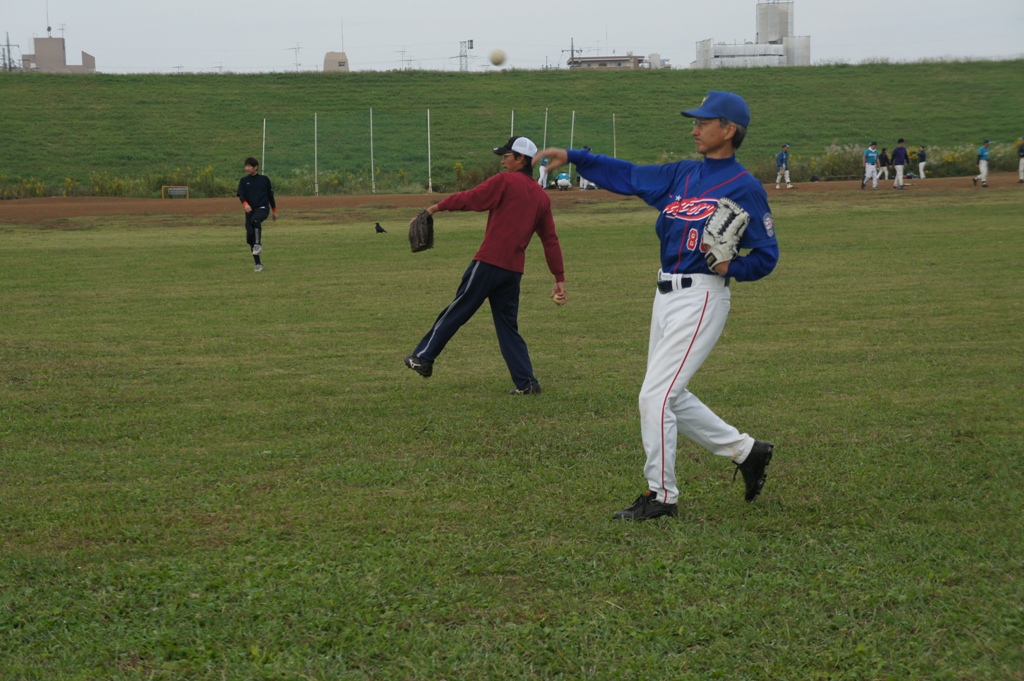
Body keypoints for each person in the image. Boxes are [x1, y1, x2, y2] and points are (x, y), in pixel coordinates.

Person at [534, 91, 778, 520]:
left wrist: (730, 267)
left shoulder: (746, 187)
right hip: (664, 295)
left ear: (729, 130)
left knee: (655, 396)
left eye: (704, 122)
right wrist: (574, 157)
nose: (694, 128)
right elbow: (629, 175)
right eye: (695, 121)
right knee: (668, 395)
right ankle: (747, 451)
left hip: (702, 294)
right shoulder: (682, 175)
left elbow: (766, 255)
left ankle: (662, 496)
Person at [403, 136, 567, 395]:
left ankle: (423, 357)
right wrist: (559, 277)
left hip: (489, 262)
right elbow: (550, 240)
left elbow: (472, 198)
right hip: (513, 271)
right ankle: (527, 383)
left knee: (458, 309)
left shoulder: (505, 181)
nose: (502, 161)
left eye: (506, 156)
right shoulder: (541, 197)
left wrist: (435, 208)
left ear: (520, 159)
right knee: (507, 327)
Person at [236, 157, 277, 272]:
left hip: (263, 208)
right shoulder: (244, 181)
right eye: (246, 166)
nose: (247, 168)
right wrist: (245, 205)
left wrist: (274, 211)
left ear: (256, 167)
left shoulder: (264, 179)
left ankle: (258, 244)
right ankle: (258, 264)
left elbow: (270, 196)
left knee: (255, 221)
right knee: (250, 237)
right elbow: (241, 195)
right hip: (249, 211)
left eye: (249, 166)